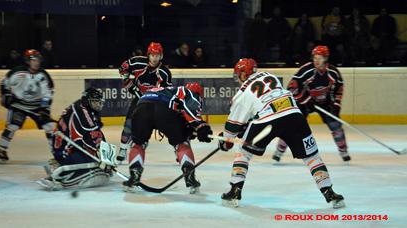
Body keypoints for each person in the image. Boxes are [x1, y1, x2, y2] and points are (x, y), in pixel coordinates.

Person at [218, 58, 345, 209]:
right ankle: (330, 193)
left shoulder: (242, 93)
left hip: (267, 122)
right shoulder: (270, 76)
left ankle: (235, 191)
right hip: (294, 116)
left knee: (243, 152)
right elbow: (270, 101)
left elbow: (232, 128)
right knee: (311, 156)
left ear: (243, 74)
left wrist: (225, 142)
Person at [122, 83, 213, 194]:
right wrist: (200, 126)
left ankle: (134, 178)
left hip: (141, 108)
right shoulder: (189, 92)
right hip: (163, 109)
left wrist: (189, 129)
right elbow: (191, 112)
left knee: (138, 144)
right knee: (181, 143)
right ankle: (190, 178)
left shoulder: (168, 90)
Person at [272, 45, 350, 162]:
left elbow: (339, 88)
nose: (316, 61)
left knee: (335, 125)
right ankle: (279, 150)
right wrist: (305, 101)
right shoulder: (306, 71)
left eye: (320, 58)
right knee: (293, 125)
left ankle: (344, 151)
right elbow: (292, 88)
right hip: (305, 101)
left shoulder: (333, 73)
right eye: (315, 58)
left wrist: (336, 104)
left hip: (325, 103)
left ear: (326, 58)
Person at [37, 88, 113, 190]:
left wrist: (105, 157)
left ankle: (62, 163)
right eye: (95, 102)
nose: (98, 105)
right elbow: (80, 140)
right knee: (90, 161)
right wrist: (99, 157)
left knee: (95, 159)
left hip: (66, 146)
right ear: (87, 101)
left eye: (99, 102)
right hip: (64, 150)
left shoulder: (84, 108)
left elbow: (97, 133)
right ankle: (60, 169)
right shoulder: (81, 114)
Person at [0, 49, 55, 164]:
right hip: (19, 105)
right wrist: (6, 95)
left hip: (37, 106)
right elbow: (4, 83)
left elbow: (48, 93)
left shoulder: (43, 75)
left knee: (50, 127)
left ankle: (57, 153)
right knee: (12, 126)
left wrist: (44, 108)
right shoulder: (17, 72)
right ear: (28, 61)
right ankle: (2, 150)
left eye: (38, 60)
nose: (36, 63)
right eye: (34, 60)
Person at [118, 42, 172, 163]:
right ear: (148, 55)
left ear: (161, 56)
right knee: (128, 123)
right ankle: (122, 149)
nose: (155, 58)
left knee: (168, 125)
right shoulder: (137, 62)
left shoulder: (165, 73)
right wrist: (128, 84)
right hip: (139, 99)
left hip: (155, 102)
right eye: (152, 55)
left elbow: (166, 93)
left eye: (157, 55)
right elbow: (122, 68)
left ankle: (178, 148)